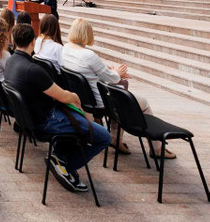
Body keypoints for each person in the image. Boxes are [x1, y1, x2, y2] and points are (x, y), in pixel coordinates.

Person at [4, 23, 111, 193]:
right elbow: (63, 96)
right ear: (33, 41)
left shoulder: (10, 61)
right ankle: (64, 163)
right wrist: (76, 98)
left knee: (82, 122)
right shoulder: (32, 70)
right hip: (45, 122)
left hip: (30, 120)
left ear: (13, 40)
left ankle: (61, 155)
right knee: (104, 136)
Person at [60, 18, 174, 158]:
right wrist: (118, 72)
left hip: (86, 98)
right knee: (142, 103)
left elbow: (96, 72)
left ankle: (116, 139)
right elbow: (112, 78)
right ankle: (156, 148)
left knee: (117, 95)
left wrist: (113, 71)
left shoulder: (66, 49)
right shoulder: (88, 55)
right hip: (100, 101)